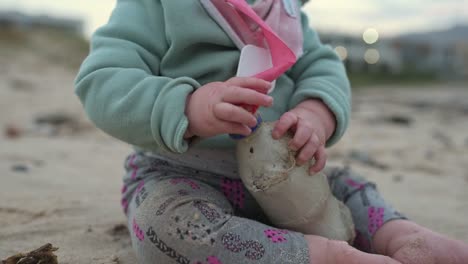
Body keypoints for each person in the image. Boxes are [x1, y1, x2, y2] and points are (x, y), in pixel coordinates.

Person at [75, 0, 468, 263]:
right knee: (163, 228)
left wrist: (315, 113)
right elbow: (103, 79)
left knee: (346, 188)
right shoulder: (155, 7)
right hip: (178, 174)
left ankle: (400, 237)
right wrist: (189, 108)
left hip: (288, 177)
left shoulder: (287, 12)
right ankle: (320, 255)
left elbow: (322, 68)